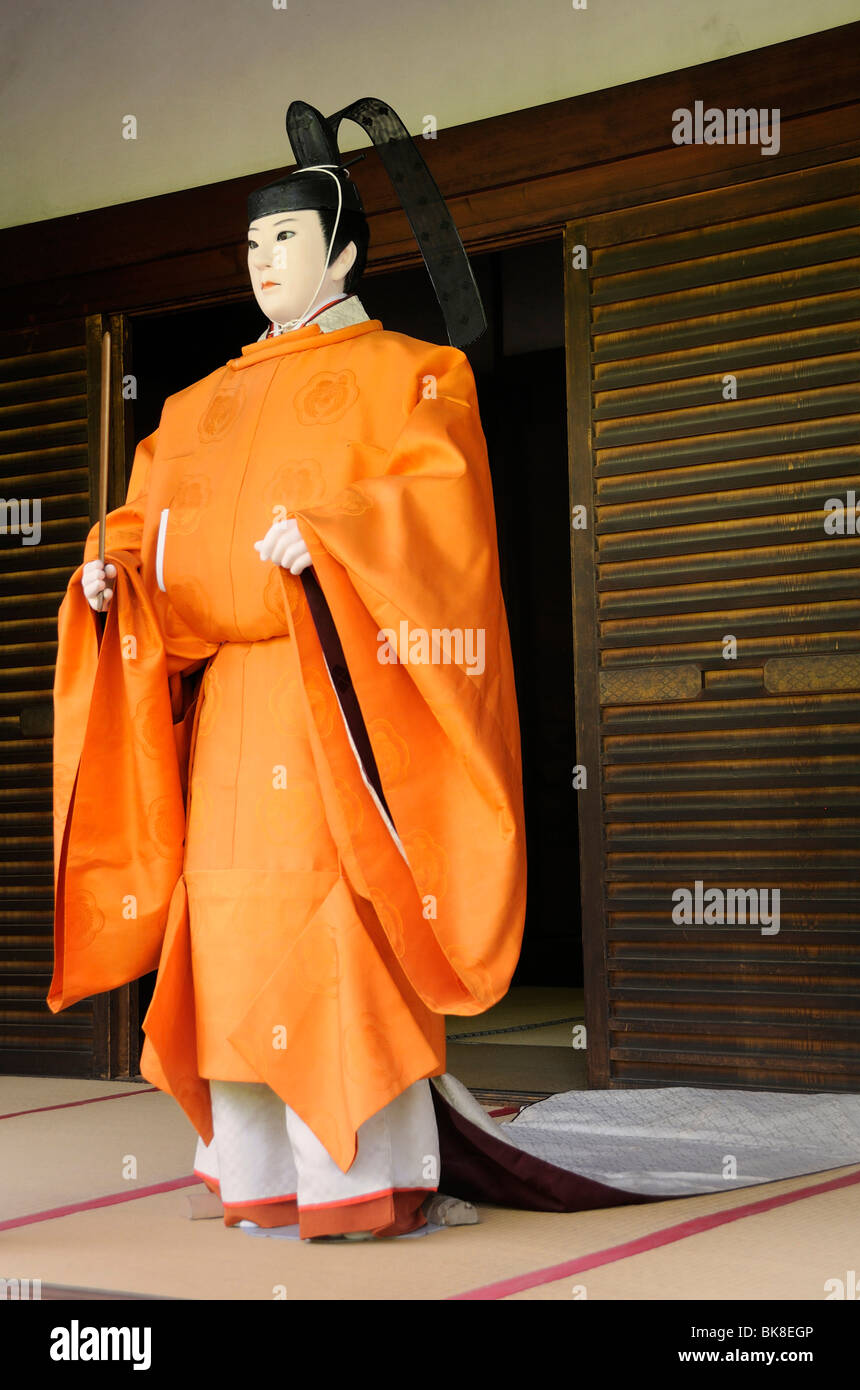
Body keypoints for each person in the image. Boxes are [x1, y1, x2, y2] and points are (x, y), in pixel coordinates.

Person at [50, 99, 526, 1241]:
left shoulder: (412, 373)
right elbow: (142, 523)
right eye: (253, 242)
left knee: (333, 926)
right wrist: (110, 576)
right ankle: (259, 1173)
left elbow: (439, 507)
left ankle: (365, 1175)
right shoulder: (191, 408)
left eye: (287, 239)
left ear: (344, 254)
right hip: (229, 714)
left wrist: (338, 536)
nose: (263, 259)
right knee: (230, 932)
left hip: (333, 698)